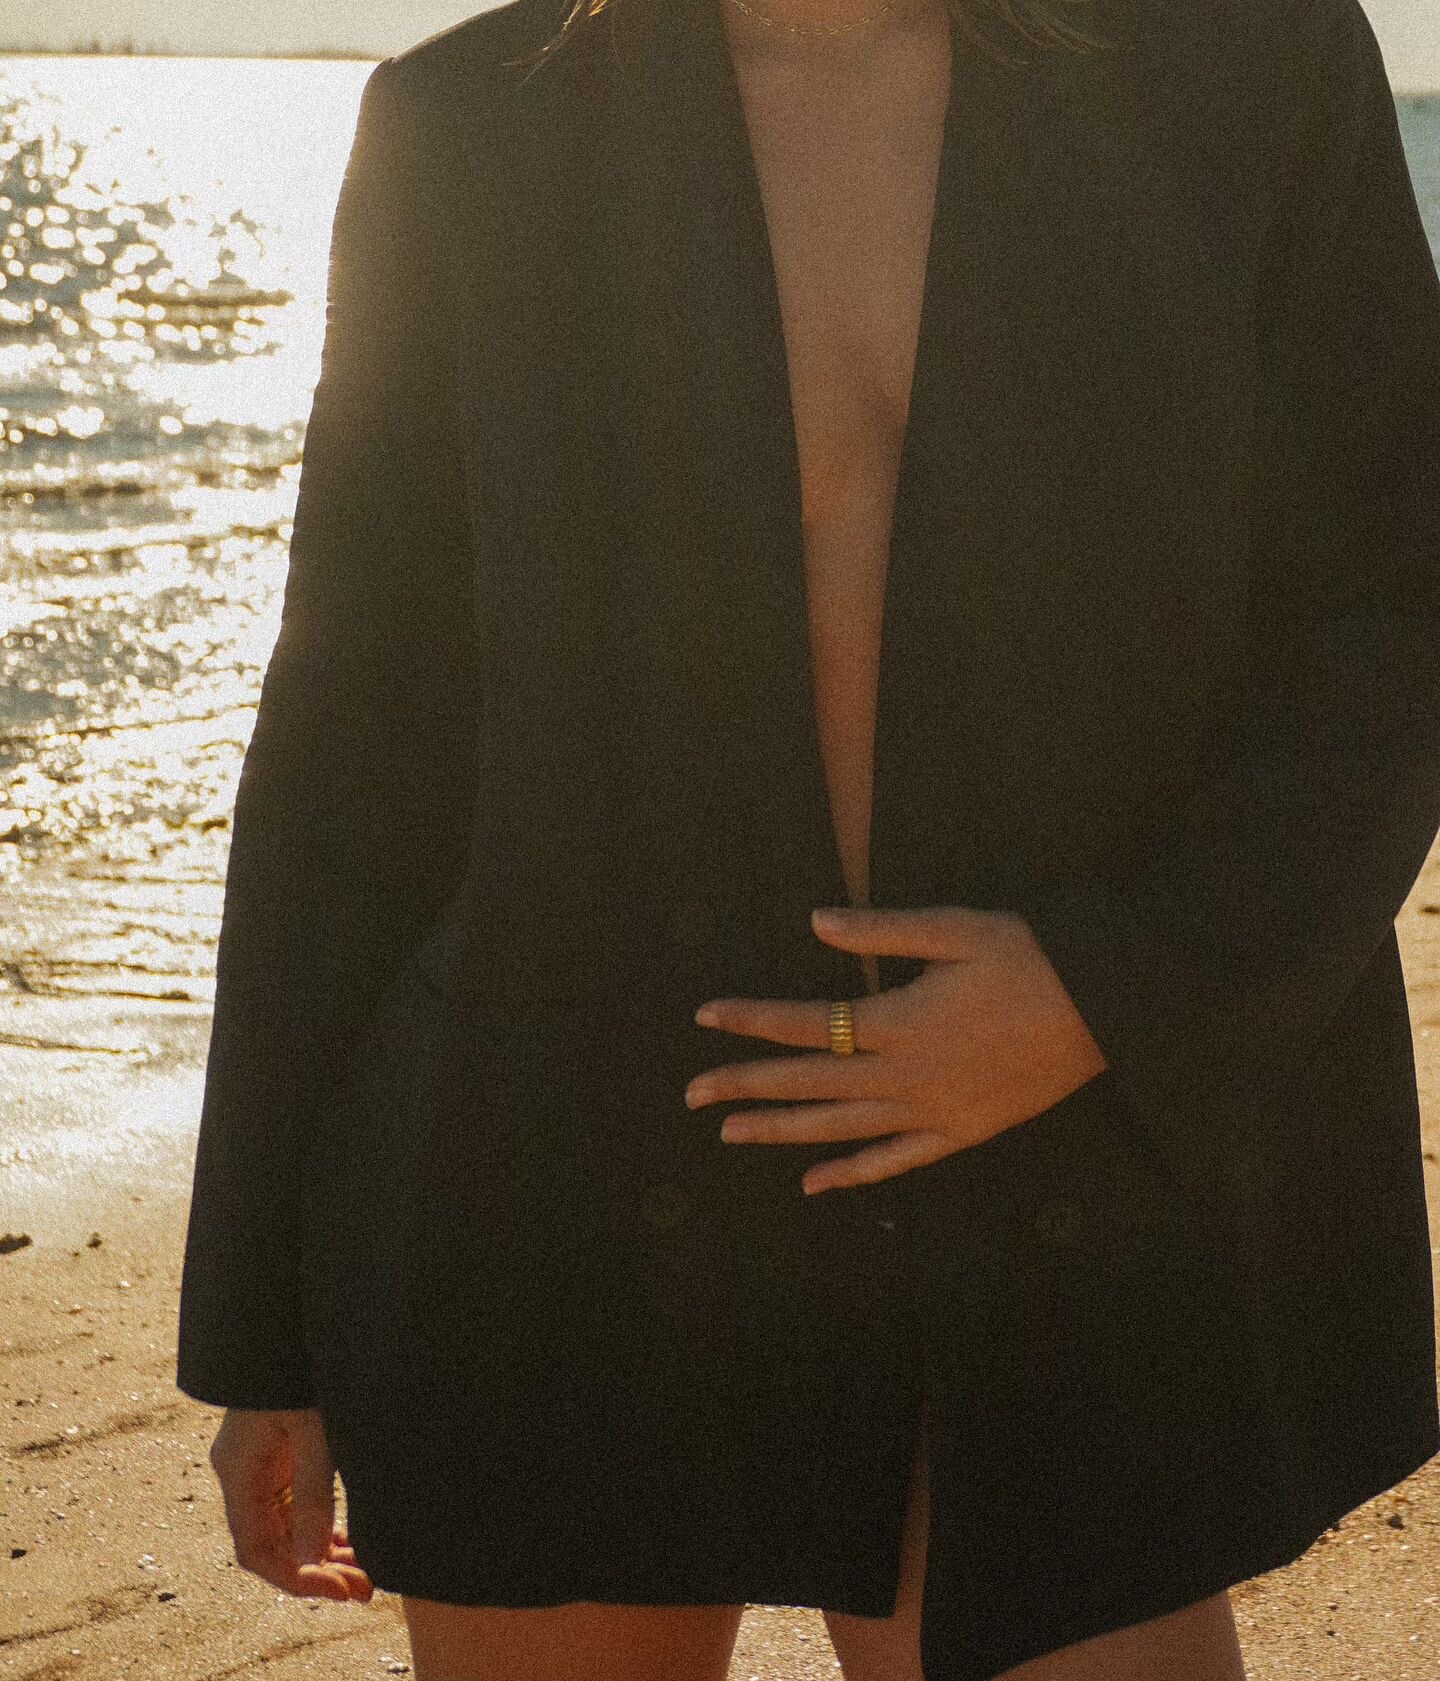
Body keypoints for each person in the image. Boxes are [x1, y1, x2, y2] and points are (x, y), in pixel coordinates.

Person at [175, 0, 1440, 1675]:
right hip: (564, 1160)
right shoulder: (468, 124)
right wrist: (259, 1324)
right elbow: (355, 742)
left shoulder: (1242, 68)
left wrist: (1105, 995)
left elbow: (1394, 611)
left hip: (1049, 1175)